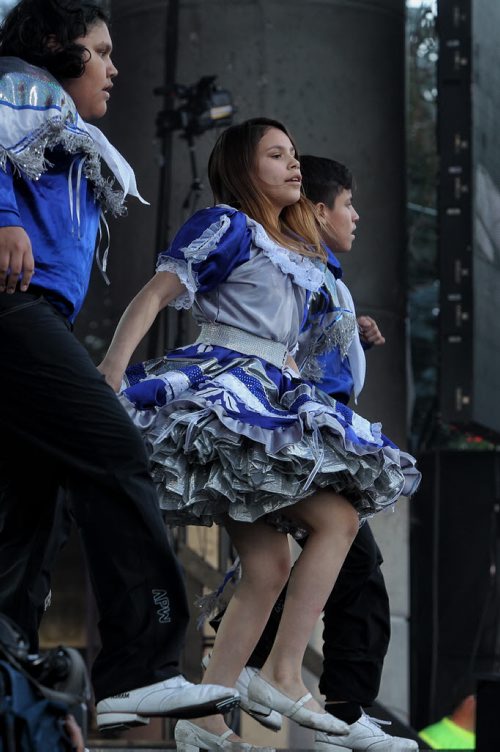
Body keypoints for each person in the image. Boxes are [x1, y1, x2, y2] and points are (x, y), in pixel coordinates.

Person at [99, 117, 421, 751]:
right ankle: (278, 671)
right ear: (246, 168)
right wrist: (112, 367)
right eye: (277, 155)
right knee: (336, 520)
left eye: (295, 154)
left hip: (269, 395)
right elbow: (157, 294)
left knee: (270, 563)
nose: (293, 164)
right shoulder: (229, 224)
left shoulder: (296, 252)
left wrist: (354, 333)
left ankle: (205, 717)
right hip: (224, 390)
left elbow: (301, 342)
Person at [0, 0, 239, 734]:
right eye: (100, 50)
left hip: (37, 322)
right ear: (52, 45)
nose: (115, 66)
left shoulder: (54, 121)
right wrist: (4, 216)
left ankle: (8, 668)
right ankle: (140, 668)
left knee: (32, 510)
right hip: (13, 310)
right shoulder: (20, 84)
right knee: (115, 453)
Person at [208, 155, 418, 751]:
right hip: (294, 442)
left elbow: (312, 350)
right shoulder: (292, 266)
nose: (357, 216)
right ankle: (336, 712)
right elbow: (276, 349)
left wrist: (354, 330)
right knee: (351, 563)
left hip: (311, 442)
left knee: (316, 568)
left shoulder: (323, 276)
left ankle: (262, 684)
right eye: (347, 205)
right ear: (319, 212)